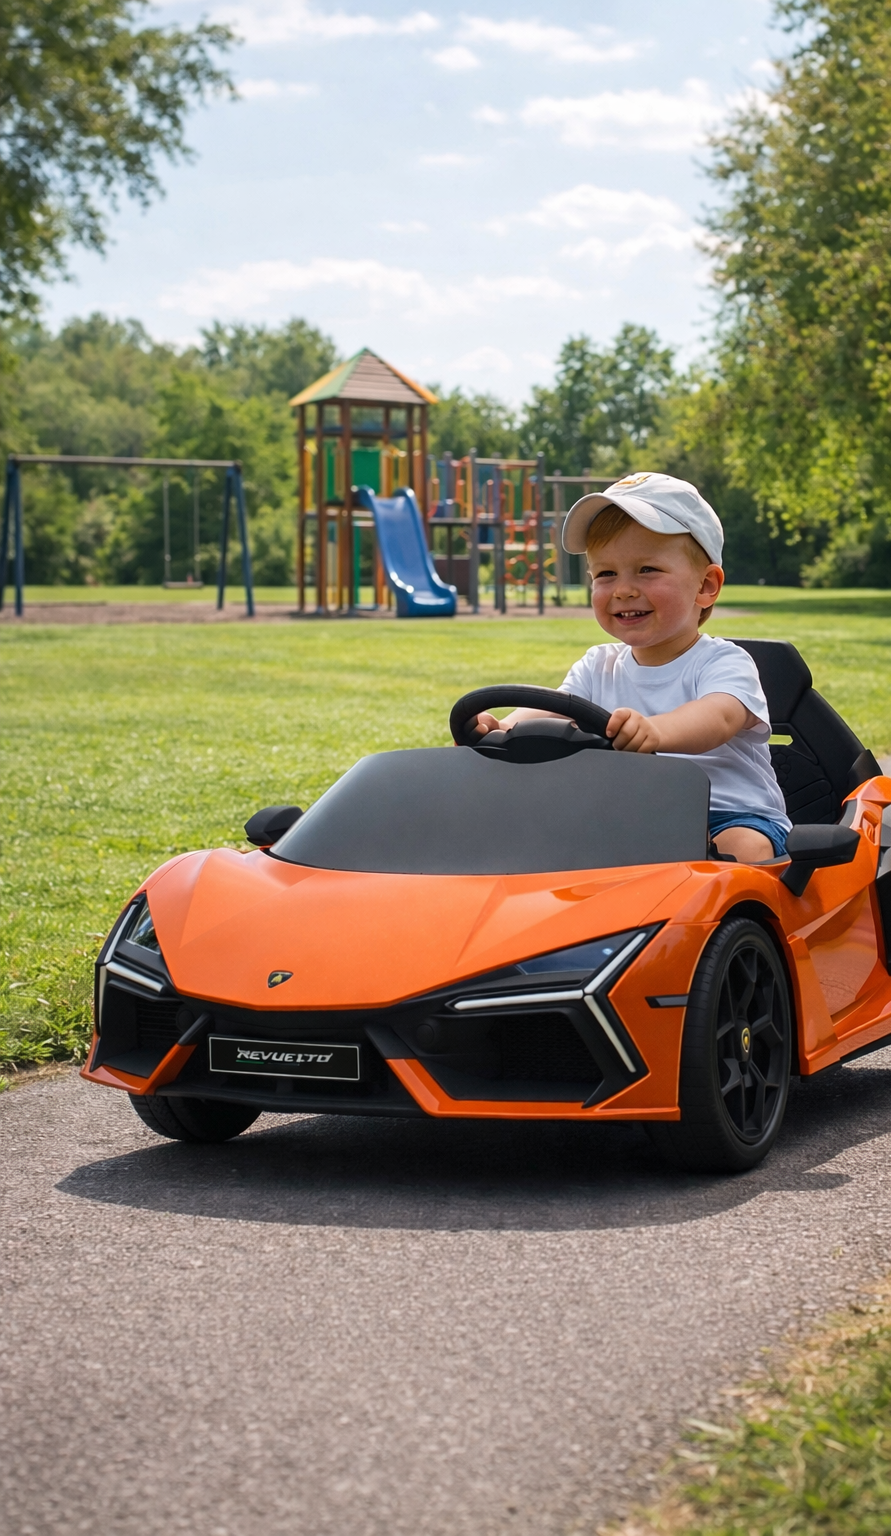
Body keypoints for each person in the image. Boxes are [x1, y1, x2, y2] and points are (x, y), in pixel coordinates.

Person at [471, 471, 791, 864]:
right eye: (606, 574)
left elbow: (719, 717)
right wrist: (500, 728)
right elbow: (552, 708)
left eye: (647, 570)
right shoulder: (597, 665)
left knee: (745, 847)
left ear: (706, 586)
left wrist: (656, 731)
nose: (623, 590)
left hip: (725, 814)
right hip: (627, 817)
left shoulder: (722, 661)